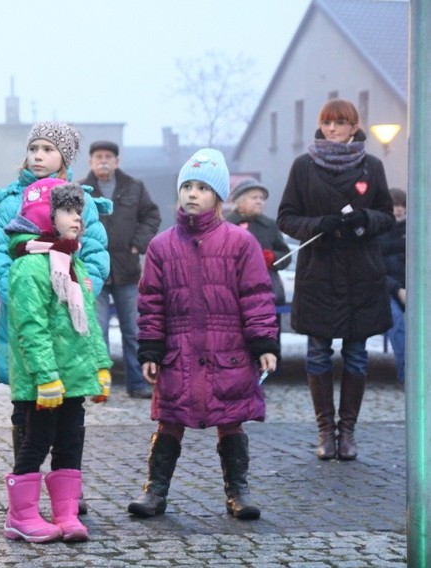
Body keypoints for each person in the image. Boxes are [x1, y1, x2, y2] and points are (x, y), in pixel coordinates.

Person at [128, 148, 279, 521]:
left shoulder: (241, 243)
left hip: (228, 350)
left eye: (202, 187)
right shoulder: (161, 246)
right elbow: (151, 302)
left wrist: (263, 343)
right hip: (178, 351)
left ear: (218, 196)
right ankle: (155, 490)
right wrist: (149, 350)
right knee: (170, 418)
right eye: (187, 186)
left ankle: (237, 491)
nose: (192, 194)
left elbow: (257, 296)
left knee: (231, 417)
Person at [0, 121, 110, 514]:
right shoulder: (10, 202)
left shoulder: (79, 202)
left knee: (71, 407)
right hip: (27, 319)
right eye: (34, 148)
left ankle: (67, 491)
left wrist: (79, 290)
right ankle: (28, 491)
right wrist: (25, 298)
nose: (38, 156)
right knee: (28, 405)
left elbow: (93, 254)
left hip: (70, 321)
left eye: (48, 149)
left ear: (65, 158)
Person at [277, 99, 394, 461]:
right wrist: (318, 225)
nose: (332, 129)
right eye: (327, 123)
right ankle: (325, 431)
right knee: (318, 354)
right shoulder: (304, 166)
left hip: (361, 275)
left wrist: (364, 219)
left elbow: (388, 216)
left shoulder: (371, 166)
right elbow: (286, 218)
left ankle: (348, 433)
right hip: (319, 275)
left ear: (354, 127)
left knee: (357, 356)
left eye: (339, 123)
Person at [2, 178, 112, 543]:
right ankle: (21, 515)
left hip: (74, 379)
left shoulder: (70, 261)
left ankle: (65, 513)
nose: (77, 218)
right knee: (36, 442)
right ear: (44, 217)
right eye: (67, 210)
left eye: (79, 211)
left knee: (70, 442)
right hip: (44, 383)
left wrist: (100, 366)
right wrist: (46, 376)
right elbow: (30, 328)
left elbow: (88, 325)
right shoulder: (30, 267)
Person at [82, 140, 161, 398]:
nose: (103, 160)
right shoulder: (81, 190)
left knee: (133, 331)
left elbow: (151, 216)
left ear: (117, 161)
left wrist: (139, 244)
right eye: (98, 156)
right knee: (98, 330)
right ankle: (99, 386)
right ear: (90, 162)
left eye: (108, 156)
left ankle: (137, 384)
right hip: (95, 270)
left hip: (127, 270)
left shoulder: (133, 187)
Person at [226, 178, 292, 306]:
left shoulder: (270, 225)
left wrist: (272, 258)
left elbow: (286, 256)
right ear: (239, 201)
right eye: (254, 197)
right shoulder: (224, 226)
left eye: (262, 198)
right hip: (232, 292)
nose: (259, 202)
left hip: (267, 293)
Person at [376, 188, 406, 384]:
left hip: (413, 289)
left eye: (402, 205)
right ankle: (408, 376)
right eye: (395, 205)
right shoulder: (376, 233)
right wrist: (397, 289)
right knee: (396, 320)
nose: (399, 209)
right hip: (384, 290)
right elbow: (373, 270)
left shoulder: (416, 231)